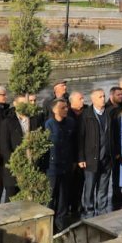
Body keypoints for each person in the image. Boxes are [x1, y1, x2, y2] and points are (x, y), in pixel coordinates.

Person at [77, 88, 115, 217]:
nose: (103, 99)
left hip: (107, 157)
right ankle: (89, 209)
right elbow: (80, 138)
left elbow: (113, 134)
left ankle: (102, 209)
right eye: (100, 97)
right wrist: (81, 158)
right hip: (91, 157)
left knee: (103, 186)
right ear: (92, 99)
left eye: (104, 96)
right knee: (90, 186)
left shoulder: (109, 113)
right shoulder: (86, 115)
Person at [0, 95, 40, 202]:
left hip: (31, 167)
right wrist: (17, 166)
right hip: (13, 170)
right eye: (21, 103)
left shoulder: (34, 120)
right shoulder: (7, 123)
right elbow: (5, 148)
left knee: (29, 200)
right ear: (15, 104)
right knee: (11, 200)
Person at [45, 99, 76, 232]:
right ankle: (48, 225)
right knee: (51, 196)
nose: (66, 109)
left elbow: (74, 142)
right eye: (62, 108)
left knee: (64, 196)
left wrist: (74, 160)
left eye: (66, 107)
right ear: (54, 110)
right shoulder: (49, 124)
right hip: (52, 166)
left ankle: (61, 223)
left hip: (67, 164)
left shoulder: (71, 122)